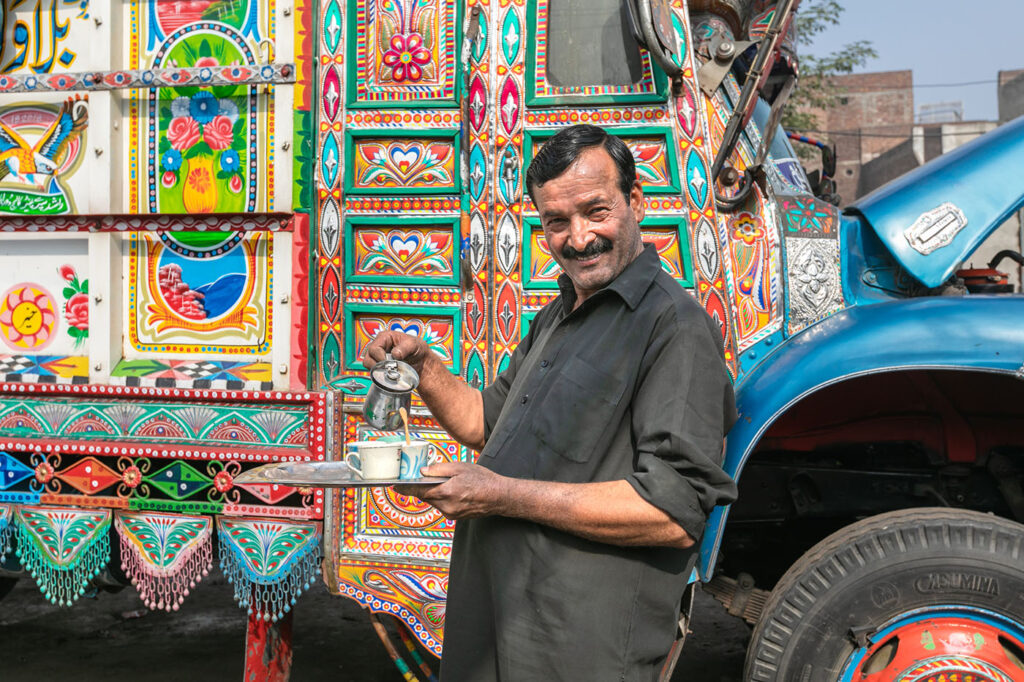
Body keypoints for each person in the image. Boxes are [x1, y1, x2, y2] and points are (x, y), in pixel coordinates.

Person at [362, 124, 738, 681]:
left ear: (635, 202)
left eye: (596, 211)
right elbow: (483, 423)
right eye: (557, 222)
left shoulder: (673, 327)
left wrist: (500, 495)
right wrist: (424, 367)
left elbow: (672, 513)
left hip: (575, 646)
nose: (579, 237)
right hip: (497, 625)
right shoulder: (558, 315)